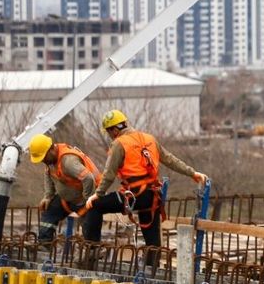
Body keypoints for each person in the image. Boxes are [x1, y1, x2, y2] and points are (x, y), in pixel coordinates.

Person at [83, 109, 208, 268]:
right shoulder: (149, 139)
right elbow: (170, 159)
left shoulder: (119, 144)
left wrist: (97, 195)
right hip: (152, 195)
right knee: (151, 238)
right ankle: (152, 268)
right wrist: (192, 173)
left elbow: (109, 174)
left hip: (134, 195)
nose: (109, 135)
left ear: (114, 130)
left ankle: (92, 251)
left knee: (94, 206)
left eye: (109, 132)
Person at [28, 134, 101, 249]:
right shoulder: (50, 161)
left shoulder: (68, 161)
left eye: (44, 158)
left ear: (51, 149)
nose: (43, 161)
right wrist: (48, 196)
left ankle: (92, 251)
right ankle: (44, 244)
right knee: (50, 210)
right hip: (67, 199)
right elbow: (48, 174)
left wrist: (88, 200)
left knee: (90, 228)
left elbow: (88, 178)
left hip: (85, 199)